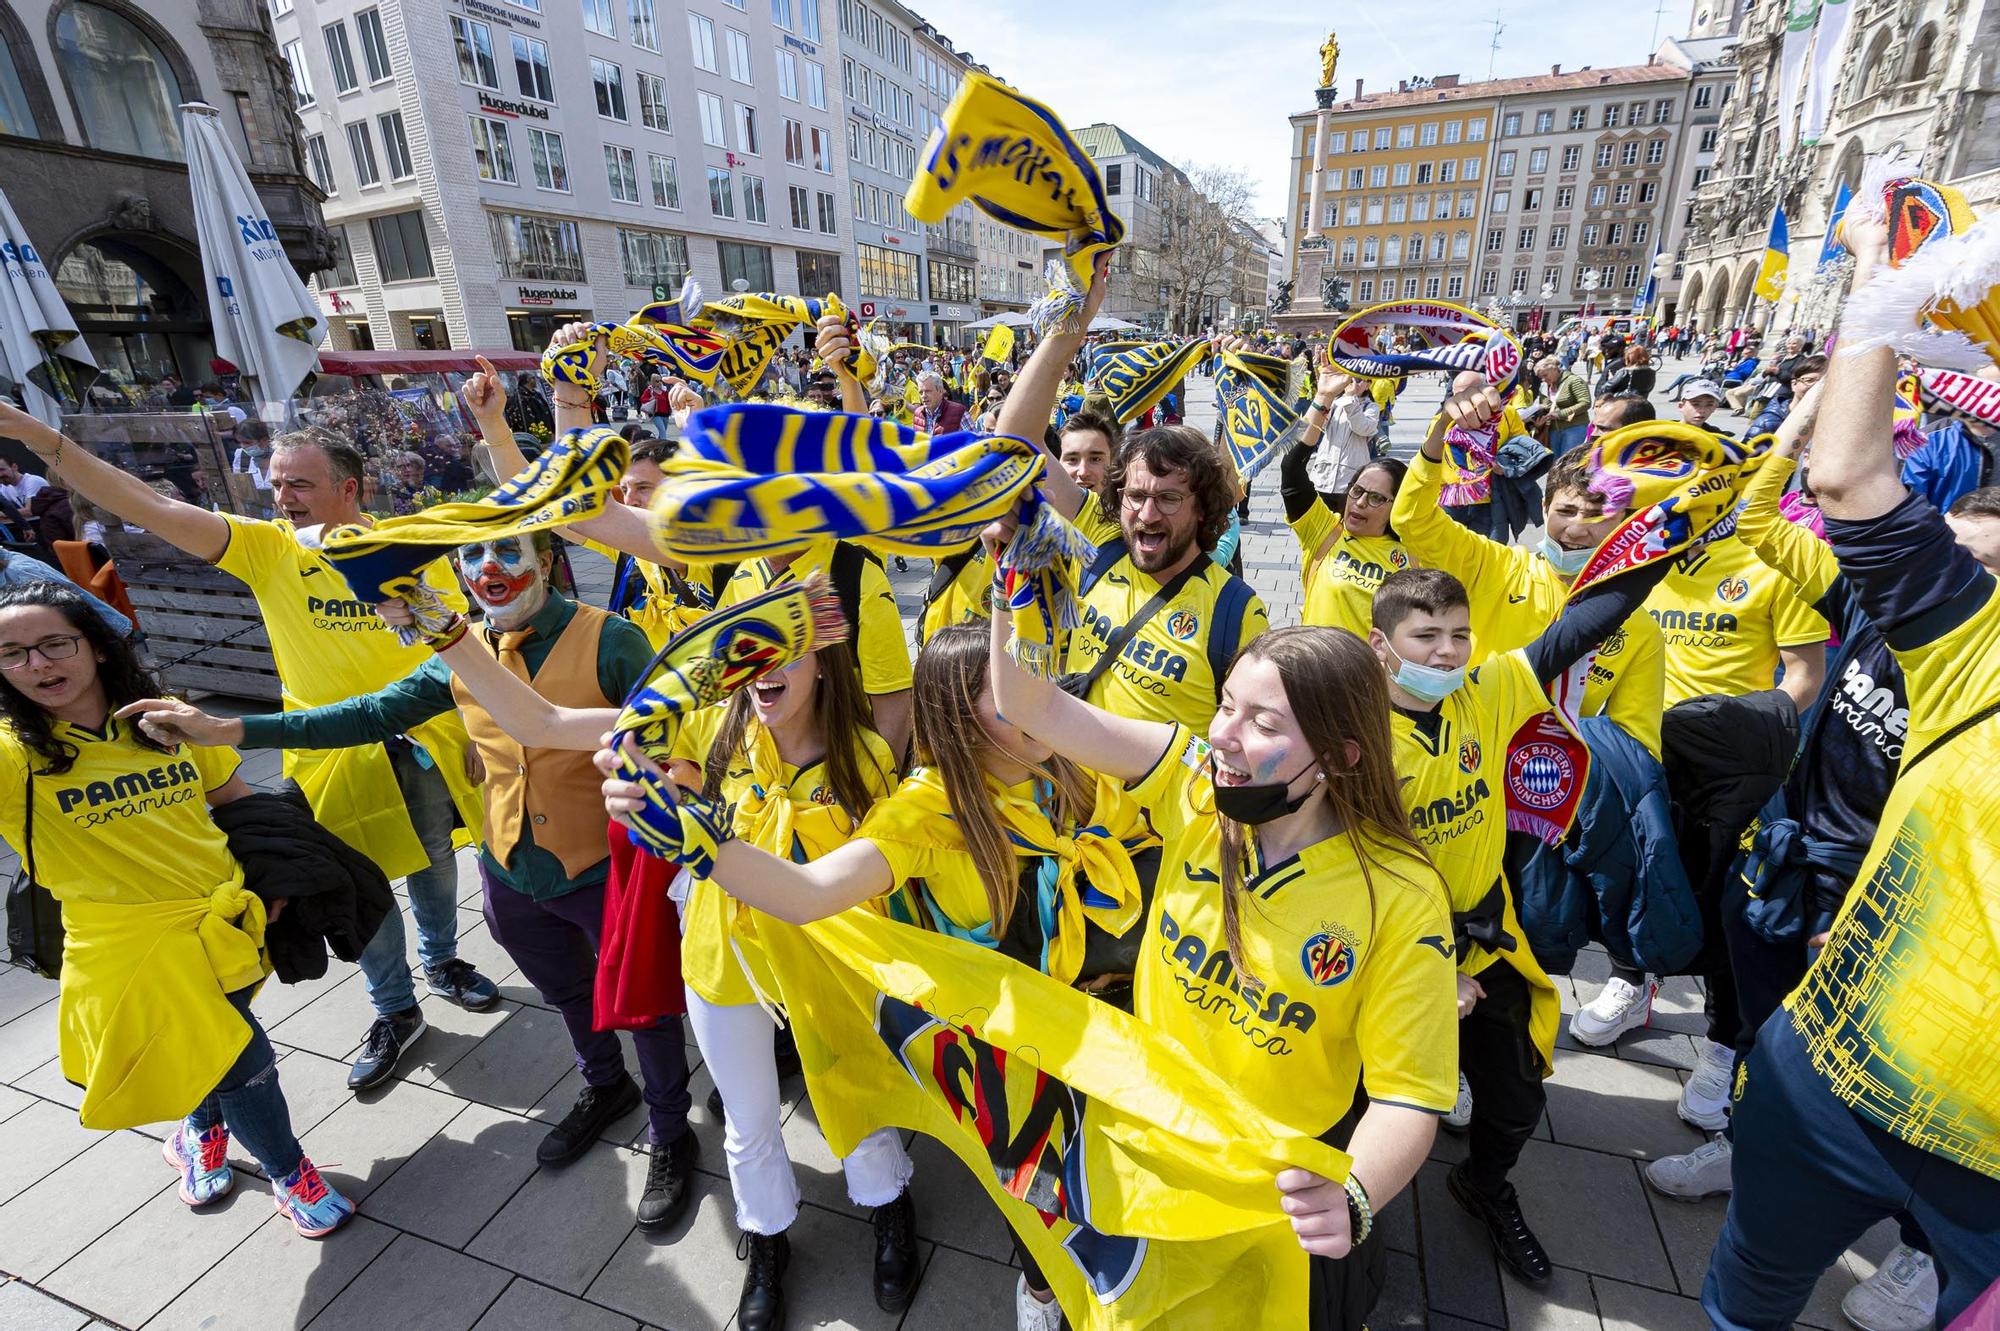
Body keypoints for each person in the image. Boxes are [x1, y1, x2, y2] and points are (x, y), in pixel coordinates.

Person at [129, 530, 702, 1223]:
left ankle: (672, 1129)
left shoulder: (611, 640)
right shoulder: (461, 650)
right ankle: (606, 1084)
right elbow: (368, 712)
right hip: (512, 873)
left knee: (643, 1003)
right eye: (472, 558)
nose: (489, 569)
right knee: (569, 992)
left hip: (608, 873)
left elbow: (672, 738)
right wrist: (230, 731)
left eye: (511, 554)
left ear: (548, 562)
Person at [604, 625, 1162, 1331]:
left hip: (1106, 1029)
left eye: (1036, 684)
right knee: (1035, 1190)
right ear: (958, 719)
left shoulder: (1072, 759)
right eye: (1009, 696)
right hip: (1008, 1052)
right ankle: (1041, 1289)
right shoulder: (927, 811)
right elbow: (809, 891)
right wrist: (703, 843)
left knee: (1113, 1183)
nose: (1037, 703)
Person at [981, 604, 1457, 1330]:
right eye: (1226, 704)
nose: (1221, 736)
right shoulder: (1197, 789)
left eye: (1264, 724)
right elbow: (1030, 703)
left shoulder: (1400, 895)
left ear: (1341, 756)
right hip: (1149, 1138)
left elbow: (1407, 1095)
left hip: (1277, 1182)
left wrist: (1354, 1193)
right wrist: (1010, 589)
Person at [0, 400, 496, 1093]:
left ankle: (443, 961)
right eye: (276, 482)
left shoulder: (409, 544)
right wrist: (40, 438)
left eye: (298, 483)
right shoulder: (267, 549)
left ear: (348, 489)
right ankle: (395, 1008)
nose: (280, 496)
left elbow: (460, 643)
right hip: (329, 755)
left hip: (426, 746)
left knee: (438, 864)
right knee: (360, 885)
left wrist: (479, 724)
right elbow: (144, 503)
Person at [1697, 210, 2000, 1331]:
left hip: (1983, 1173)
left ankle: (1916, 1259)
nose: (1962, 536)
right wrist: (1877, 296)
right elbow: (1844, 478)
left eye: (1981, 520)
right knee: (1742, 1297)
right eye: (1957, 522)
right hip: (1824, 1074)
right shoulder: (1970, 641)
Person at [0, 583, 353, 1235]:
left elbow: (234, 796)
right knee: (241, 1063)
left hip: (230, 919)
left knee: (206, 1047)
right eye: (13, 653)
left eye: (54, 644)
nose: (38, 666)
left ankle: (199, 1128)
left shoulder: (166, 718)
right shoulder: (11, 753)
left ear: (98, 648)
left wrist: (273, 884)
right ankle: (288, 1171)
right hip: (130, 948)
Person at [1283, 425, 1410, 640]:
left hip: (1370, 672)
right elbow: (1291, 469)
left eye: (1376, 498)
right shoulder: (1325, 532)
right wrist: (1322, 402)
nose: (1360, 503)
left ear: (1397, 506)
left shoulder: (1414, 556)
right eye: (1357, 491)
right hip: (1313, 667)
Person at [1533, 357, 1592, 453]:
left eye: (1545, 375)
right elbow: (1545, 406)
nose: (1543, 379)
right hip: (1553, 430)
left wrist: (1560, 414)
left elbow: (1585, 402)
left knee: (1568, 461)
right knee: (1554, 463)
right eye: (1541, 378)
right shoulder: (1545, 386)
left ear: (1554, 369)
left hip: (1574, 428)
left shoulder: (1573, 380)